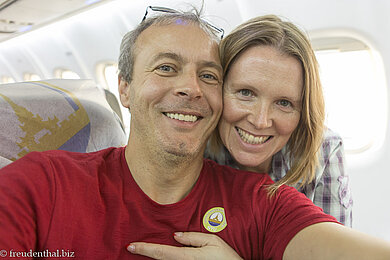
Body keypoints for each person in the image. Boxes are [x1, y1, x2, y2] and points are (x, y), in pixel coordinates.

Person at [0, 6, 389, 260]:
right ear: (124, 88)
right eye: (166, 68)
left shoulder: (267, 201)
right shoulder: (40, 185)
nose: (259, 119)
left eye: (207, 75)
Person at [204, 14, 352, 226]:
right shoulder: (196, 142)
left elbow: (337, 253)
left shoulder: (325, 149)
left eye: (284, 103)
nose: (260, 121)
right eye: (246, 93)